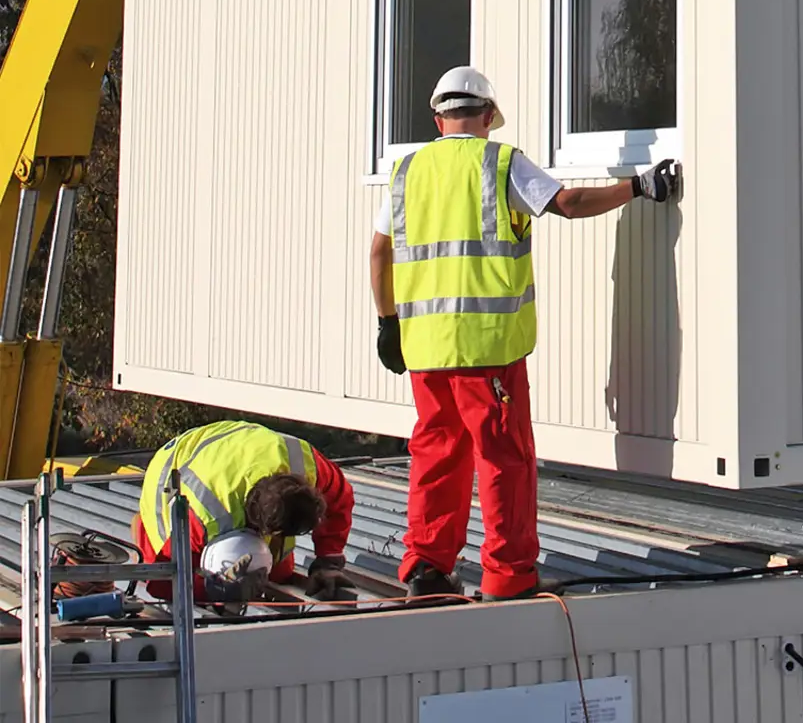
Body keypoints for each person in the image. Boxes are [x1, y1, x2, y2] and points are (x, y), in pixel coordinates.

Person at [369, 65, 681, 601]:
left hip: (426, 352)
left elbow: (380, 252)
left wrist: (387, 323)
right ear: (488, 116)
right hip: (488, 350)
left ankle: (426, 567)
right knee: (502, 458)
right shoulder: (499, 162)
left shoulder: (405, 171)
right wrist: (638, 186)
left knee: (436, 455)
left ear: (438, 118)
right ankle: (508, 576)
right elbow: (569, 204)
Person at [135, 419, 355, 602]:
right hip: (172, 463)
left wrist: (328, 563)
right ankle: (140, 527)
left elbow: (340, 499)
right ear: (266, 528)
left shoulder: (308, 467)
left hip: (239, 444)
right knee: (164, 562)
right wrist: (213, 590)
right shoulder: (204, 513)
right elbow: (162, 582)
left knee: (276, 574)